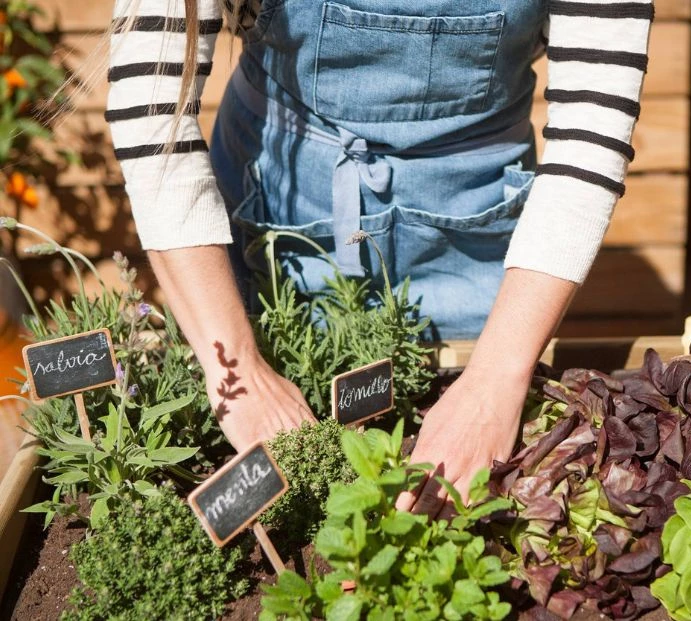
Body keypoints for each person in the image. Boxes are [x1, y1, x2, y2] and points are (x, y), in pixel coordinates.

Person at [106, 0, 654, 517]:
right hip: (275, 218)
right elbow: (152, 120)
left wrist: (494, 382)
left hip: (469, 230)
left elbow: (591, 135)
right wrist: (238, 369)